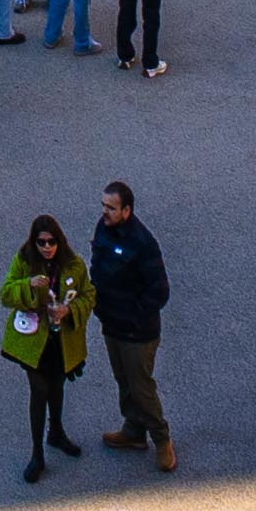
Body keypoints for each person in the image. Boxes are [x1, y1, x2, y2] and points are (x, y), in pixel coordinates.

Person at [89, 184, 176, 467]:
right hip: (112, 324)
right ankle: (134, 430)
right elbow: (97, 266)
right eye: (104, 205)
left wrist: (132, 315)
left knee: (141, 387)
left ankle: (162, 439)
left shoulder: (143, 243)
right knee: (123, 380)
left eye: (111, 208)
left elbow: (159, 291)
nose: (105, 212)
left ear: (127, 210)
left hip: (137, 333)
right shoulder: (103, 229)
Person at [0, 211, 89, 482]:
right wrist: (27, 285)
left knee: (57, 384)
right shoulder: (24, 261)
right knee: (39, 390)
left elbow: (89, 295)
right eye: (42, 242)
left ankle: (56, 432)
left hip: (60, 340)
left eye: (51, 242)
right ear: (34, 243)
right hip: (33, 340)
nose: (47, 247)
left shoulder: (74, 265)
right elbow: (5, 293)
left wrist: (68, 310)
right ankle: (37, 453)